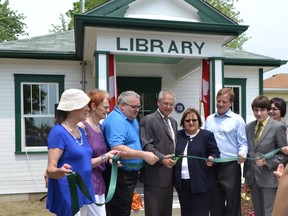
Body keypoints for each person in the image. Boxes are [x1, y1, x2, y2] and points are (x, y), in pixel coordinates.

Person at [46, 88, 121, 216]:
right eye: (84, 106)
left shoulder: (80, 131)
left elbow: (86, 163)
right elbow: (50, 170)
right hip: (69, 191)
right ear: (71, 110)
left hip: (86, 188)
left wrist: (106, 157)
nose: (87, 109)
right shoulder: (58, 132)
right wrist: (60, 171)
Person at [102, 90, 159, 216]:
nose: (137, 110)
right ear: (122, 105)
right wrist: (143, 155)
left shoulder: (130, 118)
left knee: (124, 210)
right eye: (134, 107)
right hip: (119, 174)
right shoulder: (116, 120)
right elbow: (116, 147)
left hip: (128, 174)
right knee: (119, 211)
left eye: (139, 106)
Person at [204, 87, 248, 216]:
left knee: (232, 204)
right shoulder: (209, 119)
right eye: (218, 101)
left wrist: (243, 154)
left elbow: (243, 143)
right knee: (215, 204)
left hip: (230, 167)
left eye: (224, 102)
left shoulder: (237, 120)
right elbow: (204, 143)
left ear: (230, 103)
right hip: (212, 167)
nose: (220, 104)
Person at [244, 95, 287, 216]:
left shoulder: (278, 127)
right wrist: (247, 177)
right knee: (258, 213)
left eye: (262, 110)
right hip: (253, 179)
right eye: (256, 110)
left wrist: (267, 162)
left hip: (269, 179)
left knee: (270, 213)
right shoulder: (248, 127)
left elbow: (284, 155)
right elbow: (248, 153)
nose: (258, 113)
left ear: (268, 110)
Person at [174, 108, 220, 216]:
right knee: (186, 213)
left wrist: (212, 159)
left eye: (194, 120)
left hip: (201, 183)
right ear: (183, 122)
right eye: (187, 120)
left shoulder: (206, 135)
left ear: (199, 121)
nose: (191, 123)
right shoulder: (178, 135)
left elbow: (215, 152)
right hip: (182, 184)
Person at [139, 89, 177, 216]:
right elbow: (146, 145)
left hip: (170, 176)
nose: (168, 107)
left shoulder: (173, 122)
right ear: (158, 103)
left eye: (171, 104)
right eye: (165, 103)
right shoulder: (148, 120)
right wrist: (162, 158)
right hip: (154, 176)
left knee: (166, 213)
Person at [78, 89, 113, 215]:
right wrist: (105, 157)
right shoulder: (82, 127)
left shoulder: (100, 127)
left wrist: (110, 159)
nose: (108, 110)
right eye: (105, 107)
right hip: (85, 182)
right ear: (93, 106)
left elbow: (100, 154)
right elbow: (82, 162)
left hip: (98, 182)